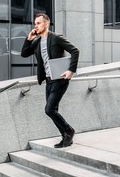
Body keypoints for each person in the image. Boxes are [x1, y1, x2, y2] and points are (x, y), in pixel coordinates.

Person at [21, 13, 79, 148]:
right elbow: (24, 54)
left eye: (38, 23)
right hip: (48, 80)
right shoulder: (36, 42)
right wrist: (28, 39)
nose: (36, 26)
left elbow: (75, 51)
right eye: (35, 23)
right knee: (53, 110)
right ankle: (65, 136)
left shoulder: (56, 38)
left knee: (49, 109)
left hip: (60, 79)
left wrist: (71, 70)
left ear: (46, 24)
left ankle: (69, 130)